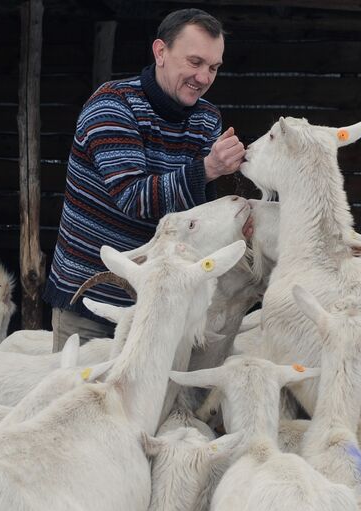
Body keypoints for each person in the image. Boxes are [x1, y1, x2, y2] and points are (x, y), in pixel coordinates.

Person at [44, 8, 245, 349]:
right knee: (80, 400)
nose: (203, 76)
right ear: (160, 52)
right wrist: (208, 168)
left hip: (159, 308)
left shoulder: (207, 118)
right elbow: (133, 197)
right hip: (91, 300)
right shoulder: (112, 105)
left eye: (213, 67)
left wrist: (237, 221)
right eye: (194, 62)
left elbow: (196, 212)